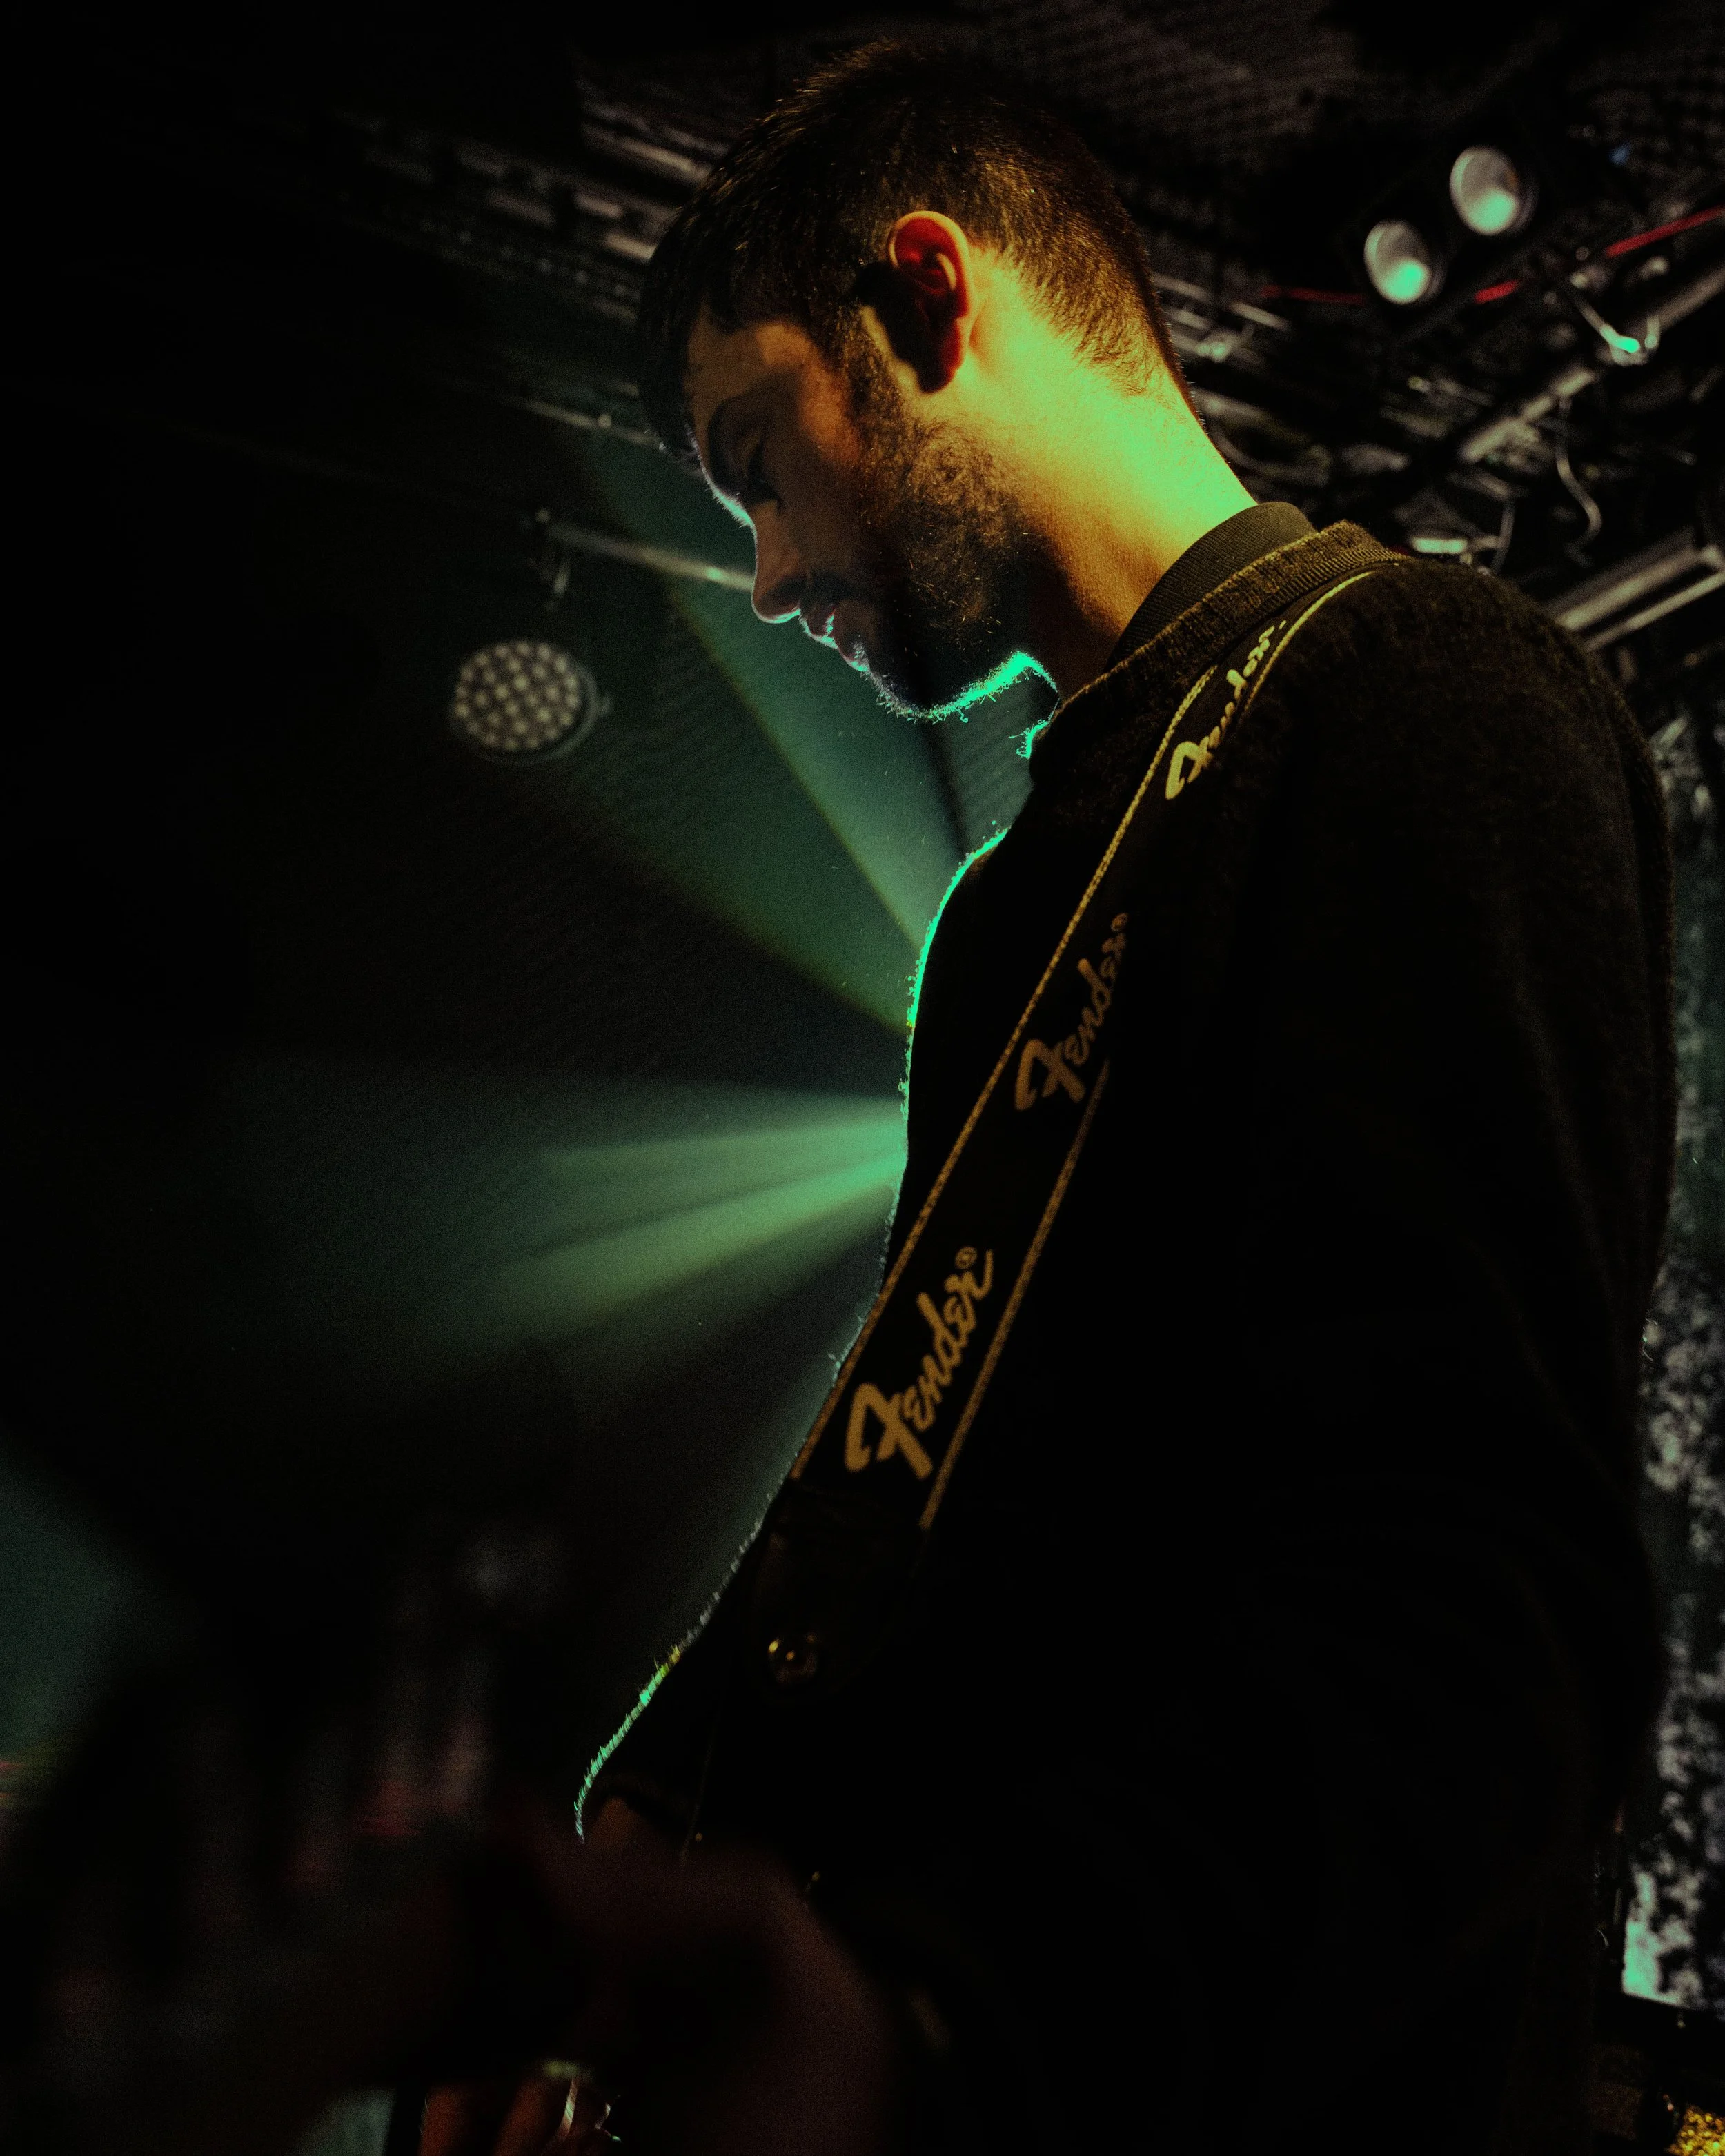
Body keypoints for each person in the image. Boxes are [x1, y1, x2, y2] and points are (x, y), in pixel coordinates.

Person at [462, 37, 1677, 2156]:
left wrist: (936, 2024)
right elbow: (948, 1490)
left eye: (759, 456)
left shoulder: (1420, 687)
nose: (759, 572)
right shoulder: (1016, 903)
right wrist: (678, 1795)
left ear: (927, 297)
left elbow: (1473, 1625)